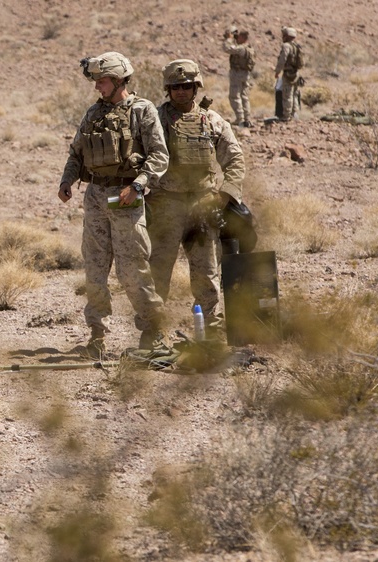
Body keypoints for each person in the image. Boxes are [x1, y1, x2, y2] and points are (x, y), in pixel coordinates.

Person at [57, 51, 169, 356]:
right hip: (95, 196)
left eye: (102, 81)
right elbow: (76, 153)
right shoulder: (93, 113)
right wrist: (66, 180)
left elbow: (159, 156)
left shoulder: (142, 111)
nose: (97, 87)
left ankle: (152, 331)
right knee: (94, 268)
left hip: (125, 197)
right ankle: (97, 335)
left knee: (132, 269)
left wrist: (138, 185)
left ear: (119, 80)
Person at [148, 59, 246, 335]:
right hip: (164, 205)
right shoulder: (153, 120)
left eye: (187, 86)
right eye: (176, 87)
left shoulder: (212, 121)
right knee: (158, 271)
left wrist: (225, 196)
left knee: (206, 273)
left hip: (201, 206)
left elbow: (235, 160)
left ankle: (210, 329)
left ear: (196, 87)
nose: (181, 91)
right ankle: (153, 332)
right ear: (168, 89)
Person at [222, 26, 255, 128]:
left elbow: (227, 48)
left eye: (238, 36)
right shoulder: (249, 47)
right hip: (245, 75)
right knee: (244, 97)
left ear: (242, 37)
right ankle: (247, 119)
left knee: (234, 96)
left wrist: (228, 38)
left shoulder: (241, 48)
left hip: (237, 74)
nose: (236, 38)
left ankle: (240, 119)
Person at [274, 26, 302, 122]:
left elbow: (282, 60)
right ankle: (295, 114)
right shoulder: (296, 46)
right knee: (294, 94)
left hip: (288, 74)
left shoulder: (286, 46)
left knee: (287, 94)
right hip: (296, 74)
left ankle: (286, 116)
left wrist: (277, 71)